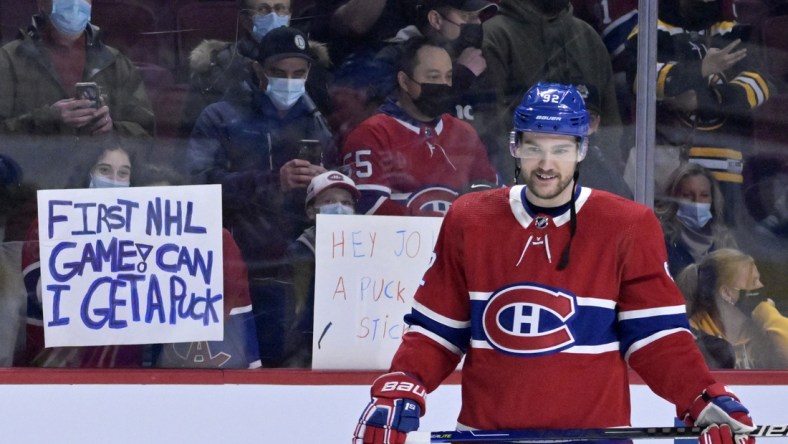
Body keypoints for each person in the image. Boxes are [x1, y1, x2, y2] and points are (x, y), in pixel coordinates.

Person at [353, 83, 755, 444]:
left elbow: (657, 339)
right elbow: (437, 329)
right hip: (487, 436)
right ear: (515, 146)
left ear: (580, 149)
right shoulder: (469, 219)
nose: (547, 163)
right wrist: (405, 382)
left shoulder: (628, 225)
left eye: (561, 149)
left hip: (594, 439)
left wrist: (701, 396)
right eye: (534, 147)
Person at [187, 26, 332, 367]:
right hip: (237, 275)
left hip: (300, 274)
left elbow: (340, 194)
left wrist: (326, 185)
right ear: (258, 70)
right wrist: (273, 182)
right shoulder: (221, 117)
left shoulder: (317, 124)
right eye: (279, 73)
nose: (290, 81)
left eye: (299, 73)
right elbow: (199, 188)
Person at [622, 0, 773, 224]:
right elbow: (643, 79)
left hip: (724, 163)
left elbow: (759, 85)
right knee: (662, 236)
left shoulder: (734, 31)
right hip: (666, 164)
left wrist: (704, 99)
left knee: (721, 244)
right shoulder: (650, 30)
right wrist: (702, 68)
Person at [20, 137, 144, 367]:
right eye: (105, 170)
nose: (115, 180)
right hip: (57, 363)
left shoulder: (142, 227)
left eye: (123, 173)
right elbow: (36, 296)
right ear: (87, 173)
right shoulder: (51, 221)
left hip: (122, 364)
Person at [341, 38, 498, 216]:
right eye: (433, 77)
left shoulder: (464, 133)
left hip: (458, 241)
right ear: (404, 81)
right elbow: (369, 206)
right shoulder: (371, 134)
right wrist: (437, 228)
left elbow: (490, 196)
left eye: (448, 77)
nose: (442, 85)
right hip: (397, 242)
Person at [129, 163, 262, 370]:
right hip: (157, 368)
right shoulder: (128, 249)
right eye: (150, 203)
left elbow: (236, 301)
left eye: (167, 203)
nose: (158, 211)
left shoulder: (217, 240)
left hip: (220, 364)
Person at [476, 0, 623, 179]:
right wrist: (517, 188)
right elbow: (493, 129)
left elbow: (610, 125)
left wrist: (604, 181)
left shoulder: (587, 36)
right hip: (523, 185)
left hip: (588, 184)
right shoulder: (495, 35)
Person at [0, 0, 154, 140]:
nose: (74, 3)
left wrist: (111, 130)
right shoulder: (9, 60)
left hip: (98, 169)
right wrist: (47, 119)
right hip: (33, 170)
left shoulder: (115, 63)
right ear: (41, 4)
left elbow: (145, 134)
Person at [179, 0, 333, 137]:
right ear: (246, 19)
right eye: (263, 9)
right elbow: (194, 138)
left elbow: (327, 134)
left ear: (289, 15)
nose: (273, 16)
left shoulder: (313, 68)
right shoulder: (217, 69)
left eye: (280, 9)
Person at [374, 0, 499, 122]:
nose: (476, 23)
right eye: (466, 16)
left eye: (478, 17)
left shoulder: (478, 57)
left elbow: (495, 118)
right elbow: (388, 112)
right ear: (436, 20)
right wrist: (461, 76)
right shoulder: (395, 58)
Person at [285, 170, 360, 367]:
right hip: (309, 353)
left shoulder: (366, 250)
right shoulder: (299, 252)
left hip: (357, 348)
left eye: (346, 203)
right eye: (329, 202)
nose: (340, 208)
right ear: (311, 211)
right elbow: (297, 312)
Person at [676, 248, 788, 368]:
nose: (761, 286)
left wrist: (768, 315)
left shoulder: (768, 333)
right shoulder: (692, 337)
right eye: (753, 282)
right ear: (727, 293)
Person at [656, 162, 738, 278]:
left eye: (704, 195)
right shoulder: (660, 237)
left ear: (712, 199)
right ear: (674, 197)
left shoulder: (724, 240)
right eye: (687, 195)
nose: (697, 201)